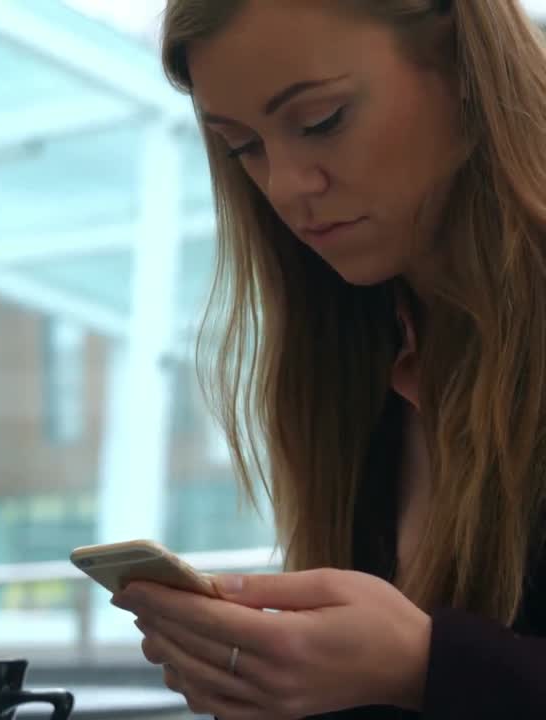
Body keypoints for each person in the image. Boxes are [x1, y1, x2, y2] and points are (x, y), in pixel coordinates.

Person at [113, 1, 546, 718]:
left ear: (463, 67)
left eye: (321, 121)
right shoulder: (352, 358)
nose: (285, 187)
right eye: (241, 146)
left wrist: (424, 666)